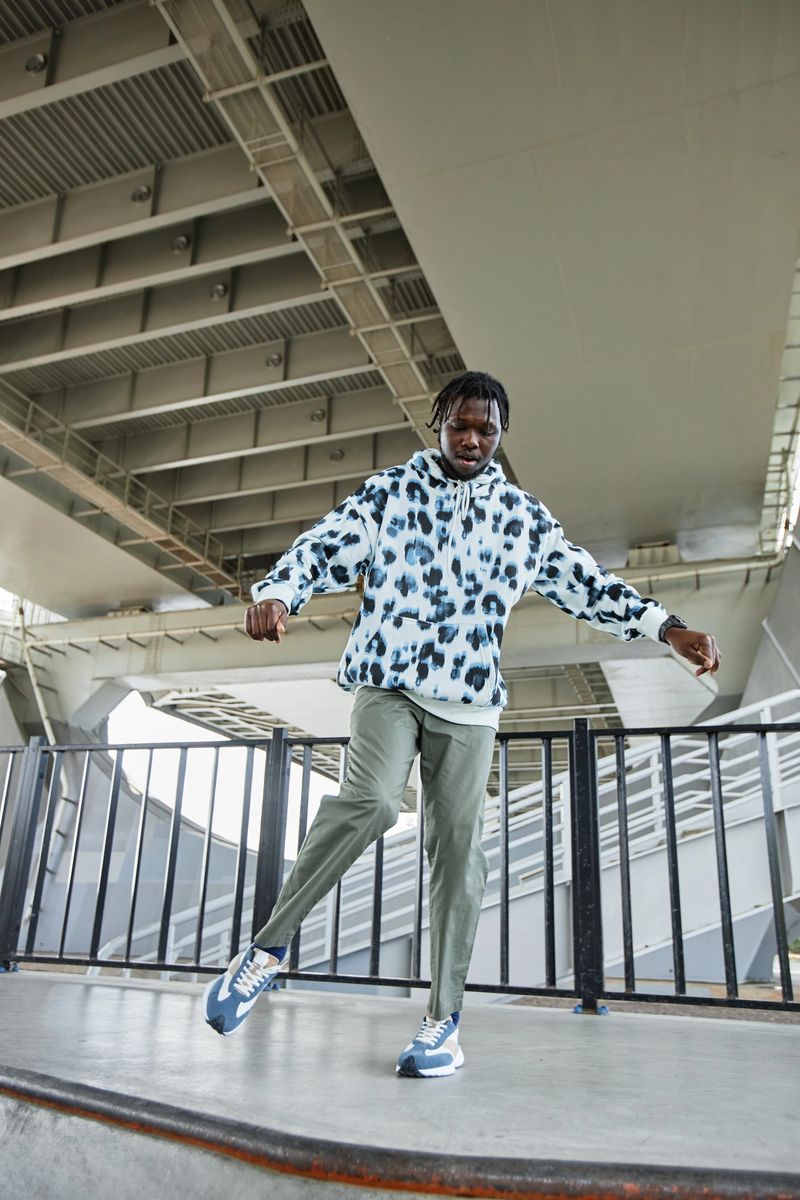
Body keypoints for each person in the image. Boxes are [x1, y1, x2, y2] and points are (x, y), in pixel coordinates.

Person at [203, 370, 720, 1077]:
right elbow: (327, 543)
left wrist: (670, 628)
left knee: (458, 854)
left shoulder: (522, 516)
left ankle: (441, 1022)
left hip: (471, 705)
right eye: (460, 426)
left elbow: (586, 584)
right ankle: (264, 952)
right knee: (375, 801)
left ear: (501, 437)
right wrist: (278, 593)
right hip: (389, 684)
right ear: (437, 423)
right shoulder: (391, 494)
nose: (472, 439)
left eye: (486, 430)